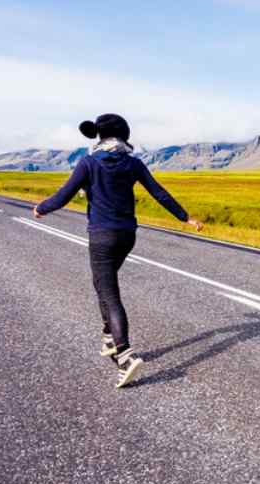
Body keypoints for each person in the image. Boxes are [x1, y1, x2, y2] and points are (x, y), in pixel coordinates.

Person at [32, 113, 203, 388]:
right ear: (124, 136)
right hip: (127, 235)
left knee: (109, 292)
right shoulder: (133, 163)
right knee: (103, 284)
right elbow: (159, 193)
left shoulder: (88, 162)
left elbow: (64, 195)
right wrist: (185, 217)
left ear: (100, 137)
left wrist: (42, 208)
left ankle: (124, 354)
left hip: (101, 236)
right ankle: (108, 336)